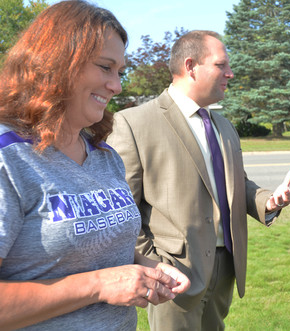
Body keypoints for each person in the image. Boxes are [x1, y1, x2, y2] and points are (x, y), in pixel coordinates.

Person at [0, 1, 190, 330]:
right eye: (105, 67)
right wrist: (99, 285)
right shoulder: (9, 159)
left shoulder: (104, 155)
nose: (116, 86)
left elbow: (95, 251)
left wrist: (148, 270)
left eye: (119, 72)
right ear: (56, 63)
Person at [107, 30, 290, 330]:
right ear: (190, 66)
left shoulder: (223, 125)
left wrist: (267, 201)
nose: (230, 73)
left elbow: (236, 182)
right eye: (221, 65)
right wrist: (152, 263)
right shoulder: (134, 123)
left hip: (224, 268)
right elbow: (123, 209)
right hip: (174, 273)